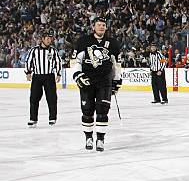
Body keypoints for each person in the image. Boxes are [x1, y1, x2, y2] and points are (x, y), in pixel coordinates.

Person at [72, 17, 122, 152]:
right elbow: (76, 61)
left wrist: (117, 80)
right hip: (87, 81)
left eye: (103, 25)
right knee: (87, 110)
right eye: (99, 25)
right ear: (93, 26)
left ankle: (100, 139)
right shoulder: (83, 41)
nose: (101, 27)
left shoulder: (112, 43)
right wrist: (77, 75)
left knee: (103, 110)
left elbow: (116, 64)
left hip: (105, 81)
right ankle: (88, 137)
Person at [25, 30, 62, 127]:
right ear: (42, 39)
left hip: (49, 76)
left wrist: (58, 74)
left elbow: (58, 62)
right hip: (37, 76)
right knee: (34, 98)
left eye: (50, 39)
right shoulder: (34, 50)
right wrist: (28, 72)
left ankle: (52, 118)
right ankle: (33, 119)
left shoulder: (53, 50)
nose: (49, 40)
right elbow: (28, 61)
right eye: (47, 39)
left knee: (52, 98)